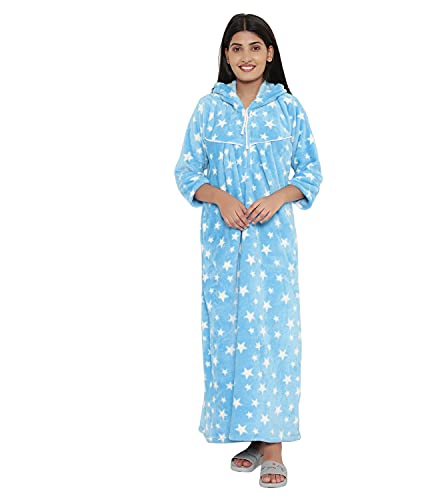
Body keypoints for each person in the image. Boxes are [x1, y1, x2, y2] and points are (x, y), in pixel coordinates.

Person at [174, 13, 323, 488]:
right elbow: (187, 172)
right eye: (236, 48)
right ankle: (253, 437)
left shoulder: (288, 108)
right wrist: (220, 198)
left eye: (255, 47)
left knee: (273, 336)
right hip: (221, 245)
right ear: (225, 55)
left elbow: (311, 172)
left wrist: (279, 197)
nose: (246, 56)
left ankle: (274, 445)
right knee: (231, 336)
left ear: (270, 53)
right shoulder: (208, 108)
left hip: (272, 246)